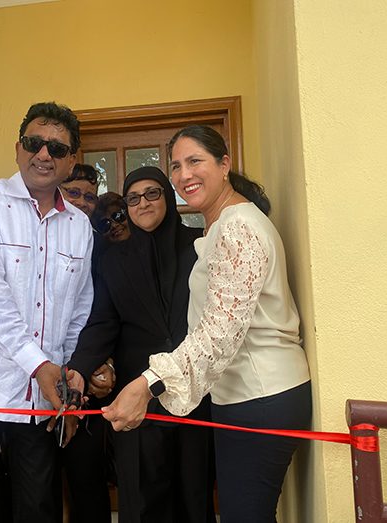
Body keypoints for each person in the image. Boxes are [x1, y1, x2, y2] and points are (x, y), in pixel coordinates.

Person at [100, 125, 313, 522]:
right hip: (246, 396)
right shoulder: (222, 225)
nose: (184, 175)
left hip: (261, 395)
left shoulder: (237, 228)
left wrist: (148, 384)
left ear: (225, 164)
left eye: (195, 161)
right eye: (176, 165)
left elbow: (218, 333)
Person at [0, 102, 93, 523]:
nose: (44, 154)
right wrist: (42, 367)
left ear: (71, 161)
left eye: (57, 149)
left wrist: (66, 382)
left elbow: (80, 311)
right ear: (18, 147)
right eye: (35, 143)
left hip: (41, 401)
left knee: (38, 509)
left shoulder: (80, 225)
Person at [67, 166, 215, 523]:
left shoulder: (200, 245)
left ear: (167, 194)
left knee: (195, 499)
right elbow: (103, 322)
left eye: (152, 193)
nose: (142, 203)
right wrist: (79, 368)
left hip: (195, 394)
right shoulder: (113, 260)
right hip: (139, 398)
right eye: (133, 198)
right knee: (143, 503)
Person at [56, 163, 114, 523]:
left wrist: (105, 364)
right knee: (40, 482)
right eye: (73, 192)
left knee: (87, 482)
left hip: (89, 380)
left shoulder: (106, 247)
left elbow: (109, 314)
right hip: (40, 379)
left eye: (90, 196)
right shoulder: (34, 238)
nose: (82, 202)